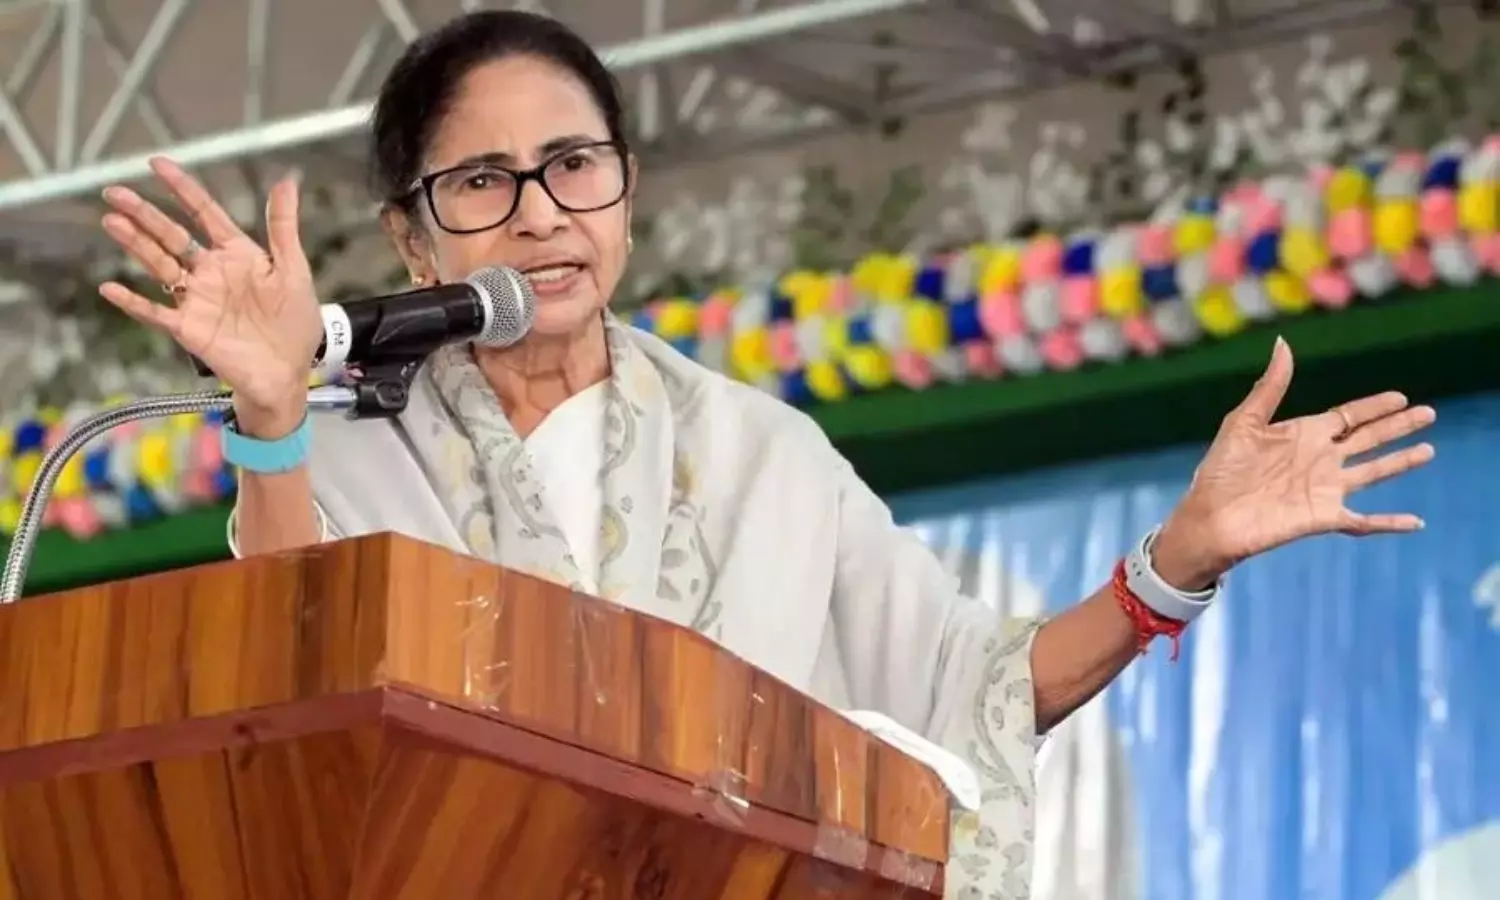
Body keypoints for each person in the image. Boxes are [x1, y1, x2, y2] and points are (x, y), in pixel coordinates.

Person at [93, 11, 1436, 898]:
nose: (541, 214)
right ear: (412, 237)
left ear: (626, 191)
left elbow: (969, 683)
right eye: (483, 183)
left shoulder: (764, 455)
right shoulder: (344, 450)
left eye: (574, 165)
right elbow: (293, 668)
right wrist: (272, 417)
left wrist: (1176, 565)